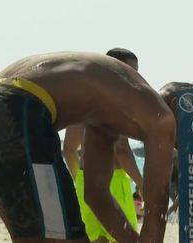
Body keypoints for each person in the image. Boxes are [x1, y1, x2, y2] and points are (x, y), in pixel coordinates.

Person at [0, 51, 176, 243]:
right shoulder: (163, 118)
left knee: (31, 236)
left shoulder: (110, 110)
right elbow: (156, 215)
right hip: (20, 107)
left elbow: (96, 195)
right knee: (63, 237)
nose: (171, 146)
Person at [63, 48, 143, 243]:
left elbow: (69, 149)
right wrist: (142, 184)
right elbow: (122, 150)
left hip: (85, 182)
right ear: (114, 70)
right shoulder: (117, 101)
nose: (136, 77)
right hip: (113, 181)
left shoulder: (82, 102)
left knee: (94, 239)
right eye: (131, 71)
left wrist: (78, 178)